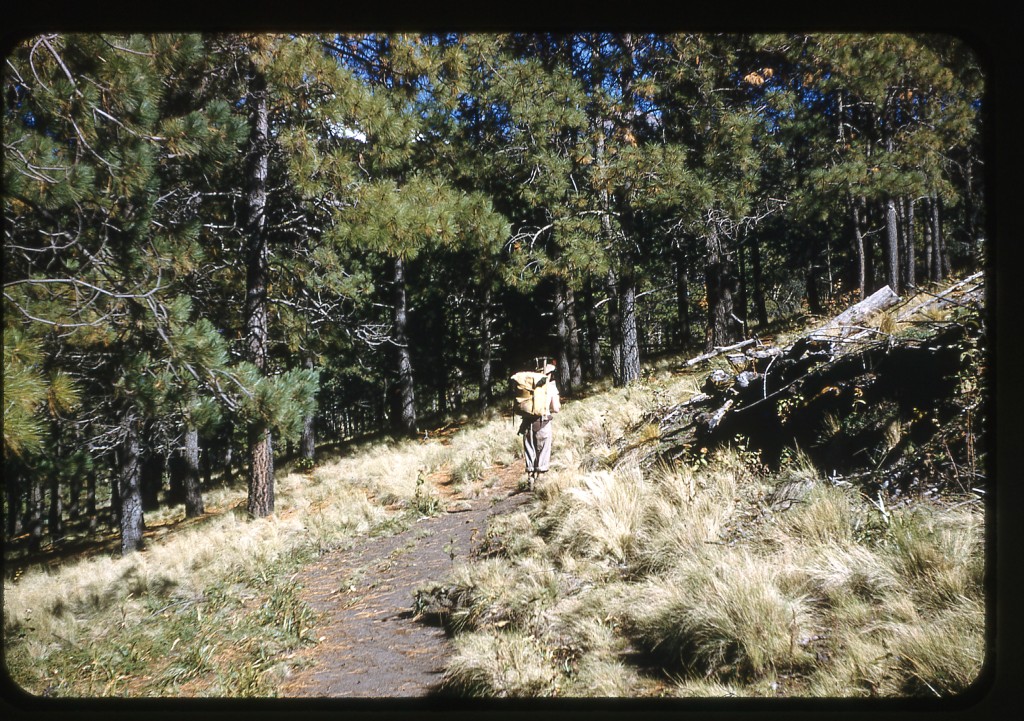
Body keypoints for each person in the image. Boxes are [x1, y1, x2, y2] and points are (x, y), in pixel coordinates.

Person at [519, 360, 561, 490]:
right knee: (543, 451)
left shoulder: (529, 386)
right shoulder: (551, 387)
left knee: (530, 450)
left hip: (526, 424)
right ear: (549, 374)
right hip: (543, 423)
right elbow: (556, 408)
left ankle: (530, 477)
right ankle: (540, 480)